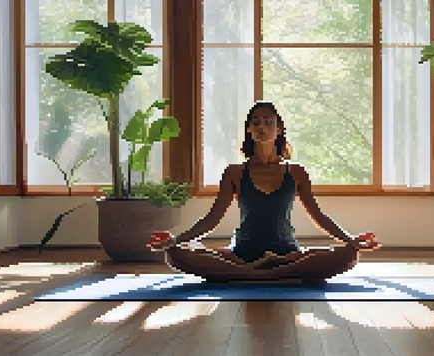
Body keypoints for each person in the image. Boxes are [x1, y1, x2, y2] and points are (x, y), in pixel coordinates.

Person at [147, 101, 380, 282]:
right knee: (175, 254)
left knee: (348, 254)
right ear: (249, 129)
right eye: (256, 122)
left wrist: (351, 240)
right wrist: (175, 240)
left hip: (287, 254)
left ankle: (250, 275)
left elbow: (318, 216)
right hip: (241, 254)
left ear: (279, 129)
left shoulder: (297, 172)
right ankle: (272, 274)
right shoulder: (234, 172)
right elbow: (212, 218)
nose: (262, 127)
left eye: (268, 122)